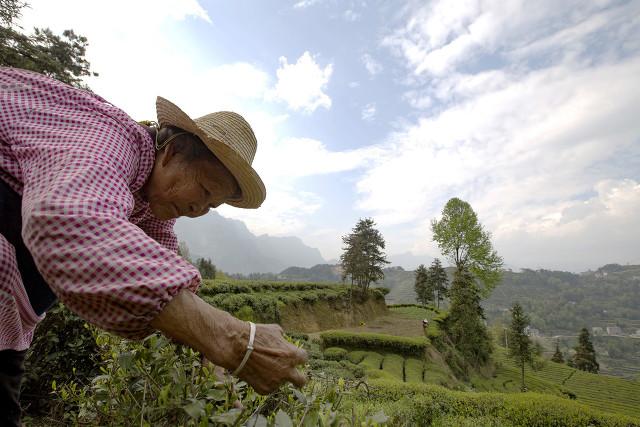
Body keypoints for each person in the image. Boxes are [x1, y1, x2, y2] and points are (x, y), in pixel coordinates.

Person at [0, 67, 307, 426]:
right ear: (171, 152)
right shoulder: (110, 139)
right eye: (204, 190)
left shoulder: (153, 206)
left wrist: (215, 365)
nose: (198, 210)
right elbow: (69, 221)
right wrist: (233, 338)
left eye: (211, 206)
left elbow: (167, 279)